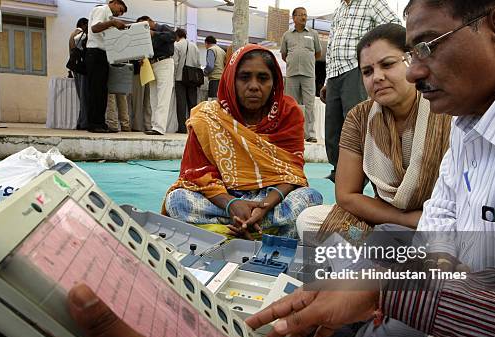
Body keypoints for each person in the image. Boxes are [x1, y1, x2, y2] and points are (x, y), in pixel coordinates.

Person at [251, 0, 495, 337]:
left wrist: (389, 290)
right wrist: (390, 278)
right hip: (437, 265)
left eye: (428, 46)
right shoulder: (464, 110)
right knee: (368, 246)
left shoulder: (452, 113)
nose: (415, 71)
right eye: (411, 54)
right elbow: (432, 227)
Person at [296, 24, 451, 244]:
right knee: (308, 221)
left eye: (387, 65)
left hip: (438, 220)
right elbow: (347, 196)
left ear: (413, 60)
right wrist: (403, 219)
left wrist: (426, 220)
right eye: (367, 71)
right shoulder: (359, 118)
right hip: (386, 218)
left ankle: (383, 258)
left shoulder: (444, 109)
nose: (377, 77)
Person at [163, 45, 323, 239]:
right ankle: (262, 232)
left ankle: (227, 232)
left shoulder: (287, 112)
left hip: (267, 199)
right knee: (177, 201)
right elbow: (199, 176)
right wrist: (232, 204)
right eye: (244, 77)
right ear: (231, 80)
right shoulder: (208, 117)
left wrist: (263, 207)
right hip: (222, 198)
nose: (254, 86)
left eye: (263, 78)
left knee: (310, 198)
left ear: (274, 82)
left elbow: (292, 173)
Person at [322, 0, 400, 181]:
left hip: (356, 70)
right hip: (335, 73)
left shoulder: (371, 2)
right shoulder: (339, 9)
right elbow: (331, 46)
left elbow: (393, 25)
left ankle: (363, 172)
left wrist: (374, 58)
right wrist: (327, 79)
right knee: (332, 129)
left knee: (357, 123)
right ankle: (338, 171)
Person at [280, 7, 322, 143]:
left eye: (305, 15)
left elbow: (318, 53)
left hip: (308, 75)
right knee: (292, 105)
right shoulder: (287, 35)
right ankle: (292, 132)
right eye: (301, 15)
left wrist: (307, 61)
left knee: (309, 104)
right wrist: (294, 61)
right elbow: (284, 55)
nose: (304, 17)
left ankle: (309, 134)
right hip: (292, 74)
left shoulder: (313, 33)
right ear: (294, 18)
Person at [85, 0, 126, 133]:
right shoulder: (102, 10)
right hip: (95, 52)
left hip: (103, 54)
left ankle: (100, 123)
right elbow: (94, 28)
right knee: (95, 89)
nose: (119, 13)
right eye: (120, 9)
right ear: (114, 2)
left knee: (102, 91)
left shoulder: (108, 17)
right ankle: (94, 123)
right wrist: (113, 23)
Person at [141, 16, 175, 136]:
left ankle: (159, 127)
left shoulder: (162, 28)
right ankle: (155, 125)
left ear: (150, 22)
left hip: (165, 62)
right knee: (153, 97)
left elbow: (172, 37)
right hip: (151, 64)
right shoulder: (146, 35)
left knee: (163, 97)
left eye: (143, 25)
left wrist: (154, 34)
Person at [173, 28, 200, 134]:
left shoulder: (177, 45)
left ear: (177, 36)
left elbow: (175, 62)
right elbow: (198, 63)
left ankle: (182, 128)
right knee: (193, 104)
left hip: (180, 78)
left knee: (181, 103)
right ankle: (193, 127)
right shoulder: (194, 46)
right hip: (192, 78)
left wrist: (174, 76)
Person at [130, 15, 152, 133]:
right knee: (137, 101)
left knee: (148, 101)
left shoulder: (150, 38)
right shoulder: (133, 39)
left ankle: (148, 125)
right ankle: (137, 126)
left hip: (149, 72)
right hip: (137, 72)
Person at [69, 17, 88, 130]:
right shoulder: (79, 34)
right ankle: (83, 122)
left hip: (75, 67)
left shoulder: (72, 34)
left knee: (82, 96)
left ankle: (81, 121)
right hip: (81, 67)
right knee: (84, 96)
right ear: (84, 25)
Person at [203, 35, 226, 100]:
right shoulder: (222, 51)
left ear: (206, 43)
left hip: (214, 80)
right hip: (222, 80)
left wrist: (205, 72)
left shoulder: (211, 50)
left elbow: (210, 66)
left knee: (213, 102)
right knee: (220, 101)